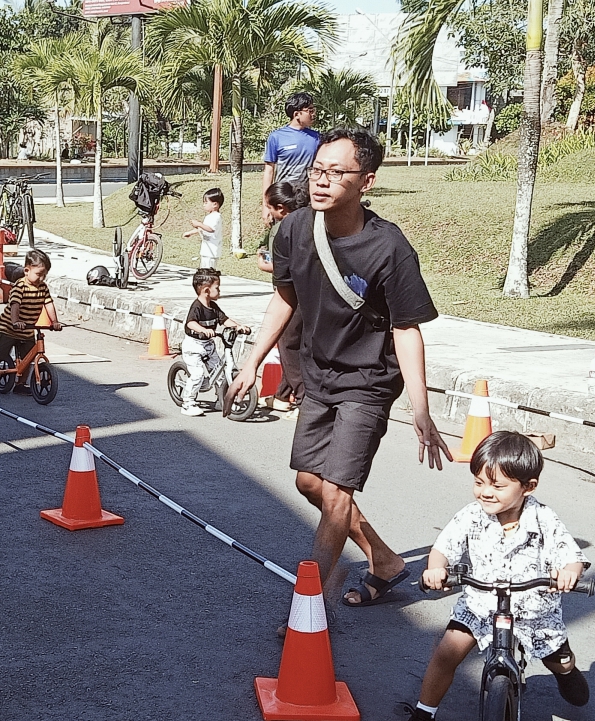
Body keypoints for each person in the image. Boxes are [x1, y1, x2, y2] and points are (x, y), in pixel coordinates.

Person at [230, 127, 451, 621]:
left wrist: (420, 408)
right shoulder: (292, 230)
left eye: (336, 172)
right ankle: (387, 560)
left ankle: (310, 608)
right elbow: (283, 299)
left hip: (369, 381)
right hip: (320, 373)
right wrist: (252, 361)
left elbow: (407, 330)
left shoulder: (389, 249)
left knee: (336, 493)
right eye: (317, 170)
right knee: (310, 482)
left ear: (366, 181)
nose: (321, 181)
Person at [391, 432, 590, 721]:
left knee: (561, 663)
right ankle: (424, 716)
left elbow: (569, 554)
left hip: (534, 608)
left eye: (497, 486)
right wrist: (436, 568)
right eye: (479, 482)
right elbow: (444, 546)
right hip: (481, 603)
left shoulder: (543, 518)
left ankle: (566, 671)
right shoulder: (471, 516)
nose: (485, 492)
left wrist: (568, 573)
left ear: (528, 487)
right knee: (445, 653)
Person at [255, 180, 309, 414]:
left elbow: (283, 267)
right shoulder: (310, 221)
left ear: (281, 209)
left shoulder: (285, 228)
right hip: (310, 295)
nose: (267, 212)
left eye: (269, 207)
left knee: (288, 344)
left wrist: (264, 263)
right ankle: (282, 394)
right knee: (297, 344)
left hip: (292, 295)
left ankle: (305, 399)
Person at [0, 248, 61, 396]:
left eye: (44, 275)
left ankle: (21, 383)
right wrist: (16, 321)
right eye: (38, 274)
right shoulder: (20, 286)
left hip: (28, 329)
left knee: (27, 357)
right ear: (26, 270)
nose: (41, 279)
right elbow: (15, 305)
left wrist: (54, 321)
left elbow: (48, 304)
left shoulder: (43, 288)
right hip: (8, 328)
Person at [180, 268, 251, 417]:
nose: (220, 291)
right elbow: (190, 323)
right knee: (197, 374)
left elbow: (225, 320)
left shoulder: (213, 307)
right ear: (206, 290)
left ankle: (221, 400)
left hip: (208, 345)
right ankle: (188, 403)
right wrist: (203, 329)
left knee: (219, 374)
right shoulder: (197, 307)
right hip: (193, 346)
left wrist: (238, 326)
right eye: (217, 288)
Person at [261, 91, 320, 223]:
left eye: (313, 110)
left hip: (306, 199)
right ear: (297, 114)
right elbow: (269, 170)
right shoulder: (276, 137)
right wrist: (266, 205)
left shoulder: (317, 138)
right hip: (283, 198)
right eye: (309, 110)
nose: (313, 114)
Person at [182, 187, 224, 267]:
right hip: (206, 251)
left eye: (206, 202)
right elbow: (202, 228)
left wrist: (198, 224)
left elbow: (211, 229)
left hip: (211, 252)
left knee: (209, 273)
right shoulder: (209, 216)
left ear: (215, 204)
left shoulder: (216, 217)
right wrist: (190, 233)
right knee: (204, 272)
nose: (203, 205)